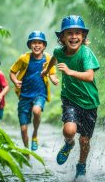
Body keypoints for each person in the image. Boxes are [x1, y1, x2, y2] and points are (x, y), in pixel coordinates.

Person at [42, 15, 100, 179]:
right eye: (69, 33)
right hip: (70, 99)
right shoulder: (58, 51)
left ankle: (81, 165)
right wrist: (46, 72)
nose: (74, 37)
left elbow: (89, 76)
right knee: (69, 130)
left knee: (84, 140)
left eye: (77, 33)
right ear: (62, 37)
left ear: (83, 37)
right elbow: (54, 59)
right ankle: (68, 144)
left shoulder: (85, 53)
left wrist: (69, 71)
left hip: (90, 102)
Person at [10, 31, 59, 151]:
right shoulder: (24, 58)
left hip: (40, 94)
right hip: (24, 95)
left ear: (44, 46)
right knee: (23, 129)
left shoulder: (48, 58)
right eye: (34, 43)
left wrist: (54, 80)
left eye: (39, 43)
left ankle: (35, 134)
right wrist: (15, 81)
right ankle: (26, 150)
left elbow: (51, 73)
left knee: (36, 111)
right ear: (30, 45)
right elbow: (12, 72)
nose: (36, 45)